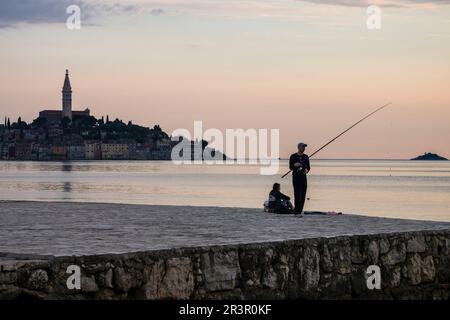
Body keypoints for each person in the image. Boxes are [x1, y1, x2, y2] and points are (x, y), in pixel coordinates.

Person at [289, 142, 310, 216]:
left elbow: (308, 167)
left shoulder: (306, 157)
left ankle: (300, 211)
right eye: (302, 147)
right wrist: (295, 165)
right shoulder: (293, 156)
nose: (304, 148)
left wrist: (306, 171)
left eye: (304, 147)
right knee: (297, 195)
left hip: (303, 178)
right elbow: (290, 167)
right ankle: (296, 211)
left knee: (303, 195)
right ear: (298, 147)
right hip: (296, 178)